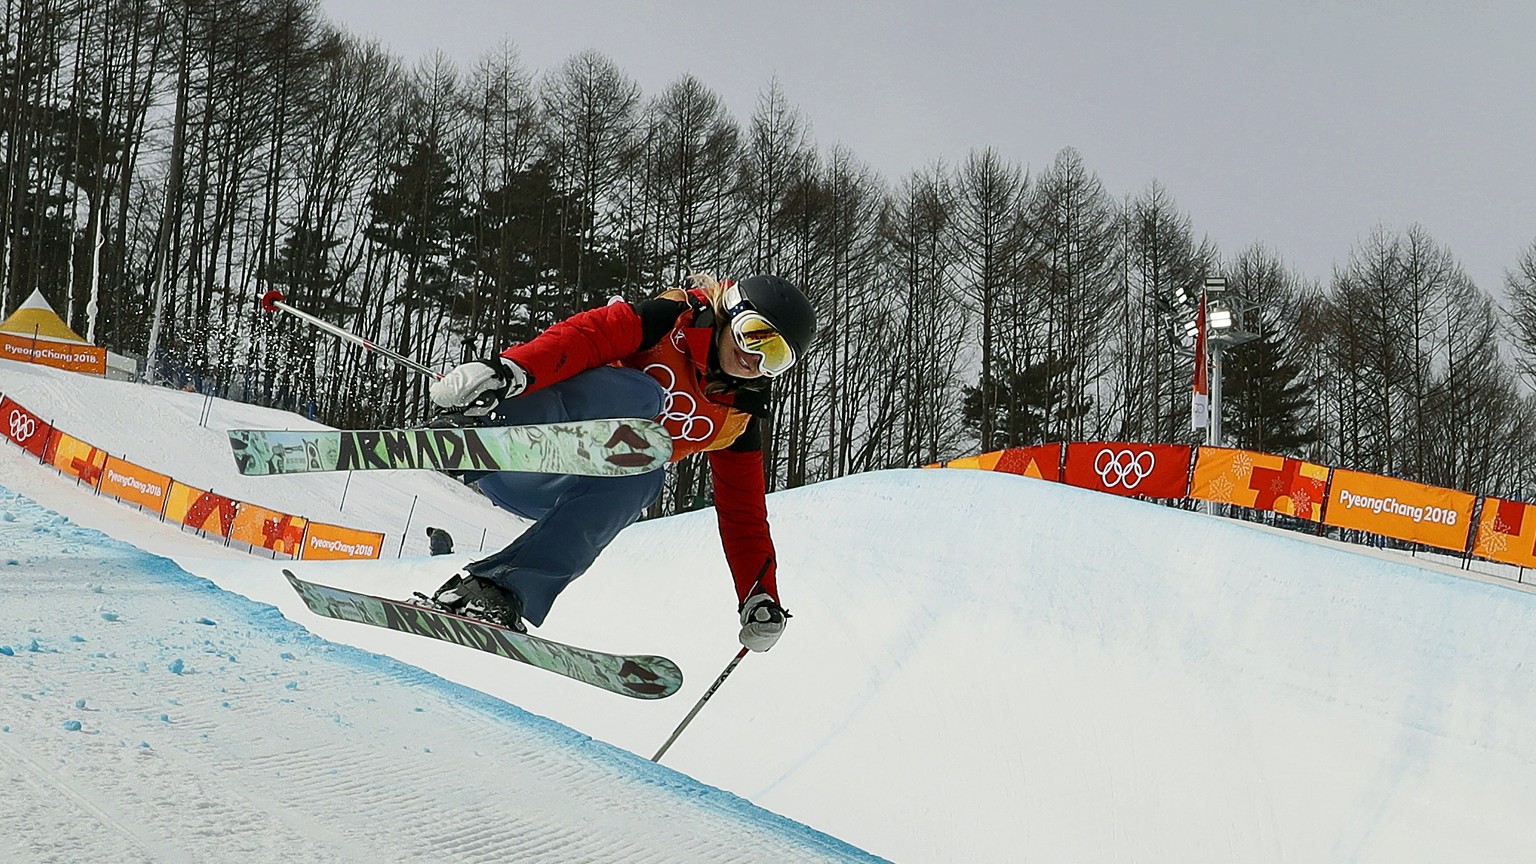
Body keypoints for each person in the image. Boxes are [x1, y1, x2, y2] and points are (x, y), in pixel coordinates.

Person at [425, 273, 816, 653]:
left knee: (645, 474)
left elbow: (744, 515)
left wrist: (760, 594)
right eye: (754, 335)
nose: (754, 359)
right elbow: (587, 336)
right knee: (643, 397)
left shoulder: (735, 420)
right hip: (517, 446)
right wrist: (509, 372)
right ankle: (480, 435)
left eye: (775, 357)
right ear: (731, 310)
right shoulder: (669, 321)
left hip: (559, 492)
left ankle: (497, 589)